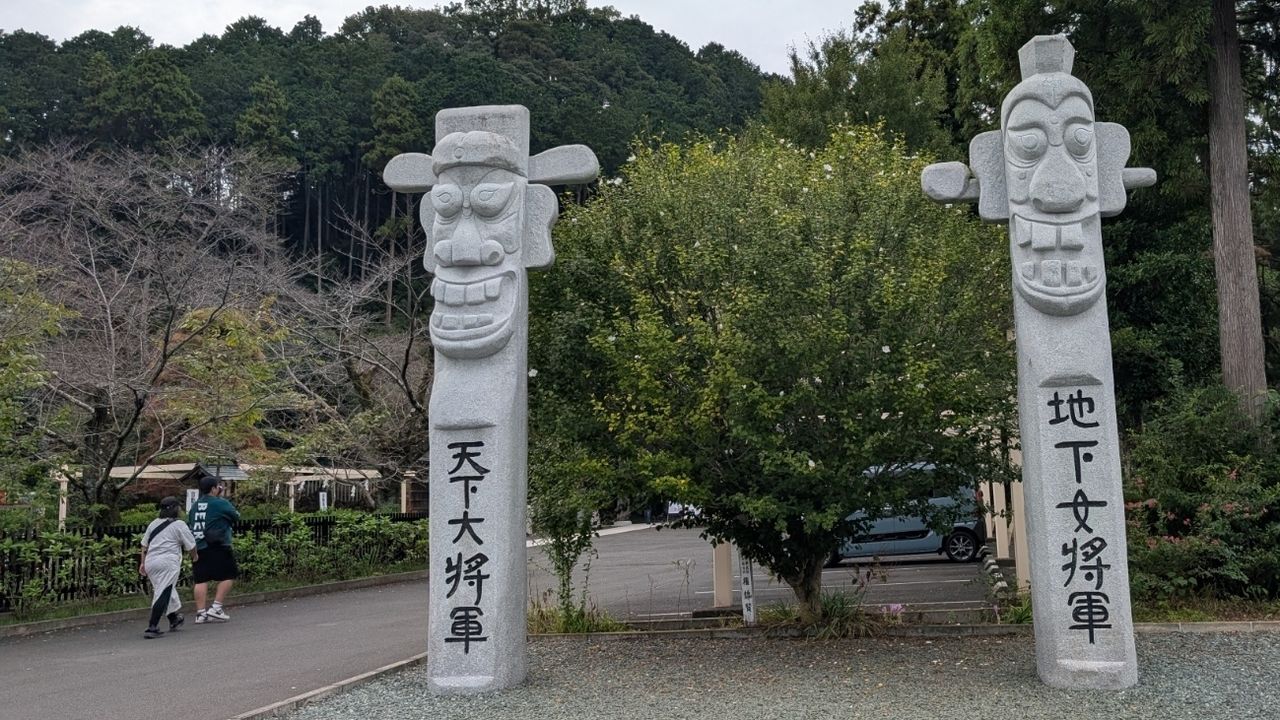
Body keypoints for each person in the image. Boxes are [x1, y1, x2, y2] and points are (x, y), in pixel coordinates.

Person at [139, 496, 198, 639]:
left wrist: (142, 563)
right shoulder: (179, 525)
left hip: (151, 562)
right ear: (176, 508)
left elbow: (144, 546)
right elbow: (191, 544)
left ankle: (174, 619)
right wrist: (195, 556)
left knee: (165, 589)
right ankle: (152, 626)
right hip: (168, 562)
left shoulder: (153, 524)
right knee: (163, 592)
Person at [188, 476, 241, 623]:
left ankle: (200, 613)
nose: (220, 488)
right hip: (217, 544)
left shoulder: (195, 505)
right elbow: (236, 517)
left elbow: (190, 522)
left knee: (201, 579)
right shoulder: (220, 503)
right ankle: (216, 607)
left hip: (198, 546)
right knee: (229, 574)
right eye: (218, 486)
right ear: (213, 489)